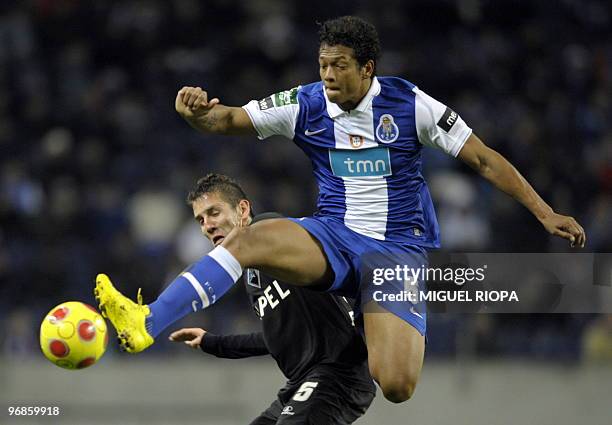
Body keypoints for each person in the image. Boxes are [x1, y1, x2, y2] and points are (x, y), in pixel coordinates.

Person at [95, 16, 586, 403]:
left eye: (339, 65)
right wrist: (198, 114)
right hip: (334, 236)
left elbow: (481, 158)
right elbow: (228, 120)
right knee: (247, 239)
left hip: (398, 250)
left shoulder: (409, 103)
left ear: (367, 68)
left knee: (395, 386)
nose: (328, 74)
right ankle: (148, 321)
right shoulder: (305, 104)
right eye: (323, 64)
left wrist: (544, 212)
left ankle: (375, 317)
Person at [167, 173, 375, 424]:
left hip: (338, 373)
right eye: (200, 220)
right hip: (301, 384)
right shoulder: (253, 274)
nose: (207, 226)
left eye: (214, 213)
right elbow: (277, 338)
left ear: (243, 209)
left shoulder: (273, 232)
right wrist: (212, 342)